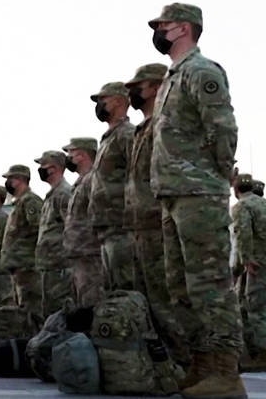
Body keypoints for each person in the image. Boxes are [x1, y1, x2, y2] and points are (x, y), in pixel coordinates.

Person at [148, 2, 243, 396]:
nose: (158, 31)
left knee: (209, 284)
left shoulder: (202, 71)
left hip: (198, 191)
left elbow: (222, 128)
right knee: (180, 286)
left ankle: (225, 371)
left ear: (184, 28)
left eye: (163, 25)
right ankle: (202, 365)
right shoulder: (174, 77)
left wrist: (215, 174)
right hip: (173, 192)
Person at [124, 63, 189, 365]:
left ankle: (184, 360)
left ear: (153, 87)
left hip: (155, 222)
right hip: (138, 225)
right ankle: (166, 365)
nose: (132, 93)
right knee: (146, 300)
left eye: (137, 86)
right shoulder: (142, 129)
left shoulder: (162, 124)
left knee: (165, 299)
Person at [88, 82, 135, 292]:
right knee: (112, 287)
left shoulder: (127, 134)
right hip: (107, 226)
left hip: (121, 224)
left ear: (118, 101)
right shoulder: (109, 138)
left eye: (102, 100)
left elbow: (139, 174)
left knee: (125, 286)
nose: (99, 106)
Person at [231, 172, 266, 370]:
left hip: (257, 264)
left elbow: (243, 234)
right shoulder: (264, 203)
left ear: (236, 190)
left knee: (255, 308)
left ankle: (261, 354)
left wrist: (245, 261)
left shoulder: (241, 206)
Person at [61, 137, 103, 306]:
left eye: (71, 153)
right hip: (79, 251)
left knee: (92, 300)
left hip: (90, 251)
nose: (68, 158)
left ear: (83, 155)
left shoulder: (93, 180)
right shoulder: (80, 183)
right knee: (82, 301)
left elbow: (97, 213)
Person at [0, 164, 44, 320]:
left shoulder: (30, 201)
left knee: (31, 308)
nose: (8, 183)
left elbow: (39, 228)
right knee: (22, 307)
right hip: (18, 265)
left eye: (10, 179)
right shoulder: (18, 203)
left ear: (20, 179)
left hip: (28, 265)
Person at [33, 151, 72, 318]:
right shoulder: (52, 195)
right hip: (50, 264)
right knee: (49, 310)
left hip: (60, 264)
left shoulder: (63, 194)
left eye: (43, 166)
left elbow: (70, 227)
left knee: (59, 311)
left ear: (54, 168)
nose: (40, 170)